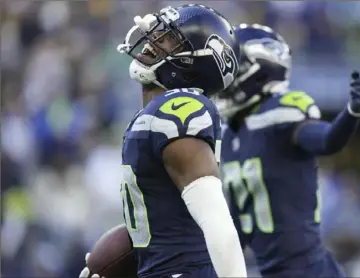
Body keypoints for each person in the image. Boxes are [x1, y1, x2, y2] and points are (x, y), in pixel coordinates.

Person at [80, 4, 247, 278]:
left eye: (168, 38)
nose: (152, 41)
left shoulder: (179, 108)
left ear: (195, 62)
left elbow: (217, 221)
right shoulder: (152, 114)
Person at [218, 23, 360, 278]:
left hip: (311, 270)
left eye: (233, 67)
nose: (224, 78)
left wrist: (352, 113)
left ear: (259, 69)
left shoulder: (283, 112)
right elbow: (238, 225)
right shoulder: (229, 134)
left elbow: (327, 140)